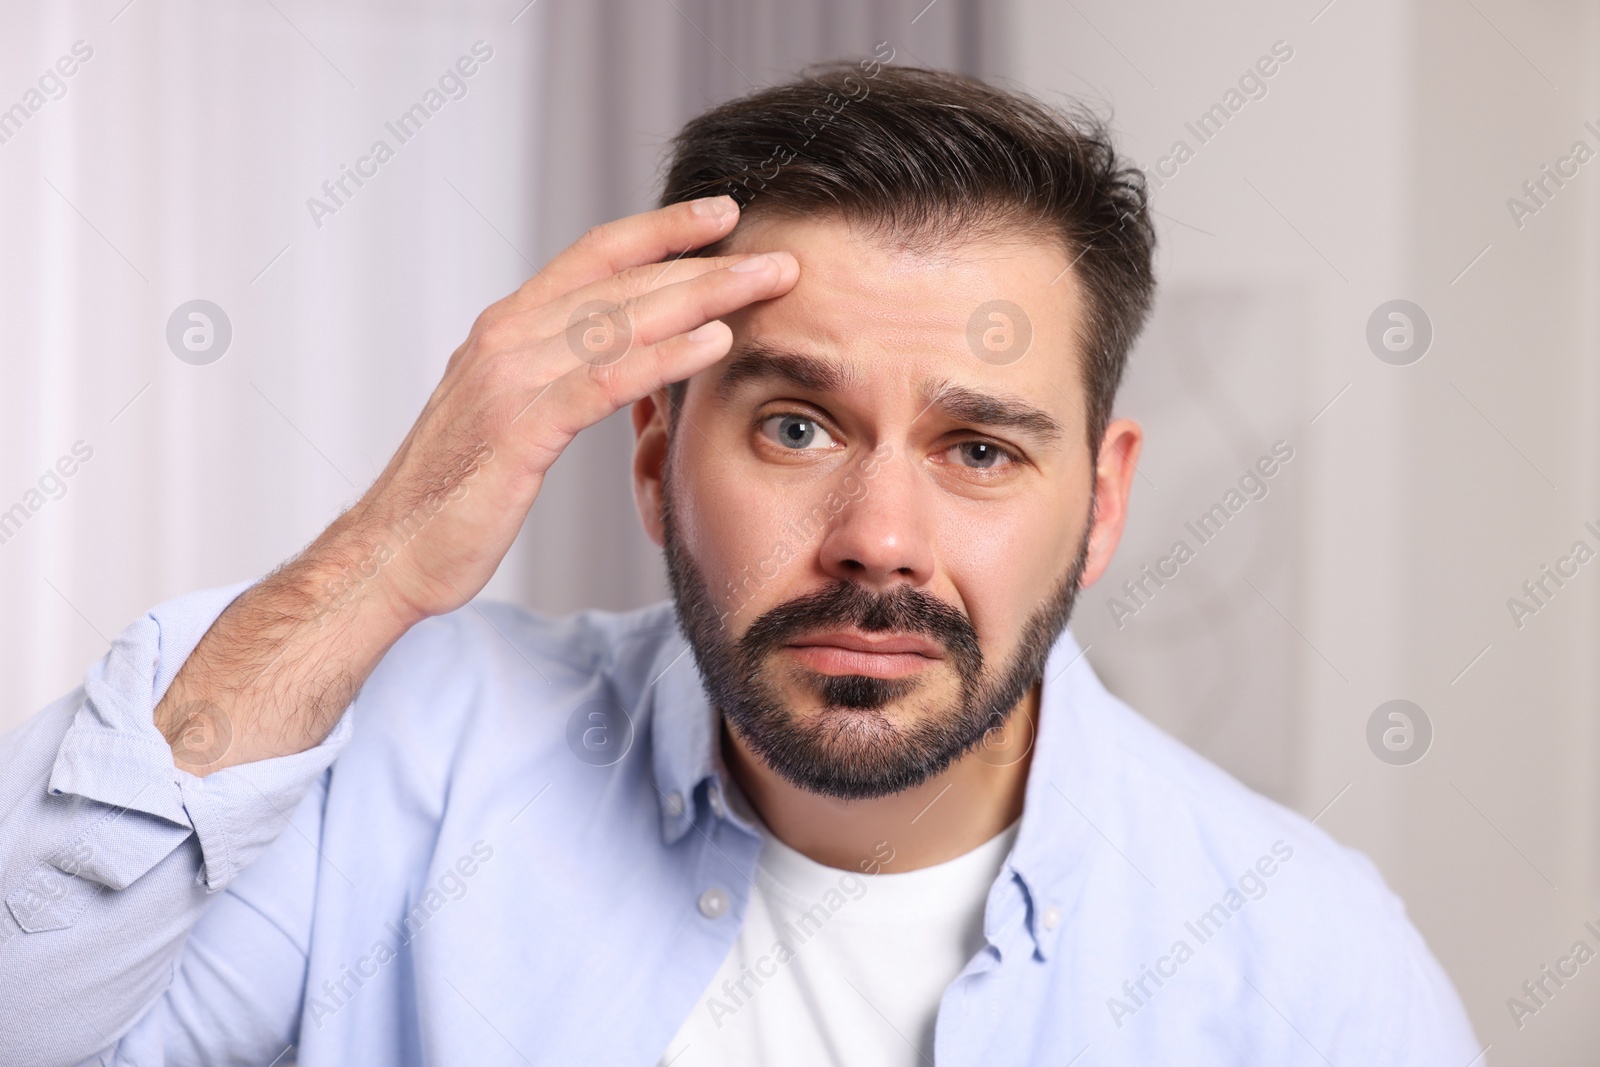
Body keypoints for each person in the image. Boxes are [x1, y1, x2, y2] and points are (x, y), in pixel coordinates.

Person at [0, 60, 1478, 1066]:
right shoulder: (394, 770)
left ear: (1101, 503)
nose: (877, 542)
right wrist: (384, 552)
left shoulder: (1302, 966)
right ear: (652, 453)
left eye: (978, 451)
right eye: (793, 425)